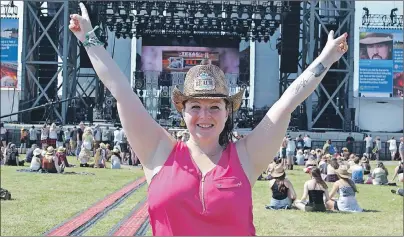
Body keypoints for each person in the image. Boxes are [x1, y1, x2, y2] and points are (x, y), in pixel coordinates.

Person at [69, 4, 348, 235]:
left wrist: (325, 58)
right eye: (196, 106)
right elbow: (122, 91)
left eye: (215, 106)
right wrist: (89, 39)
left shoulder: (246, 157)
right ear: (183, 110)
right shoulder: (159, 151)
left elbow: (287, 103)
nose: (205, 115)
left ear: (228, 112)